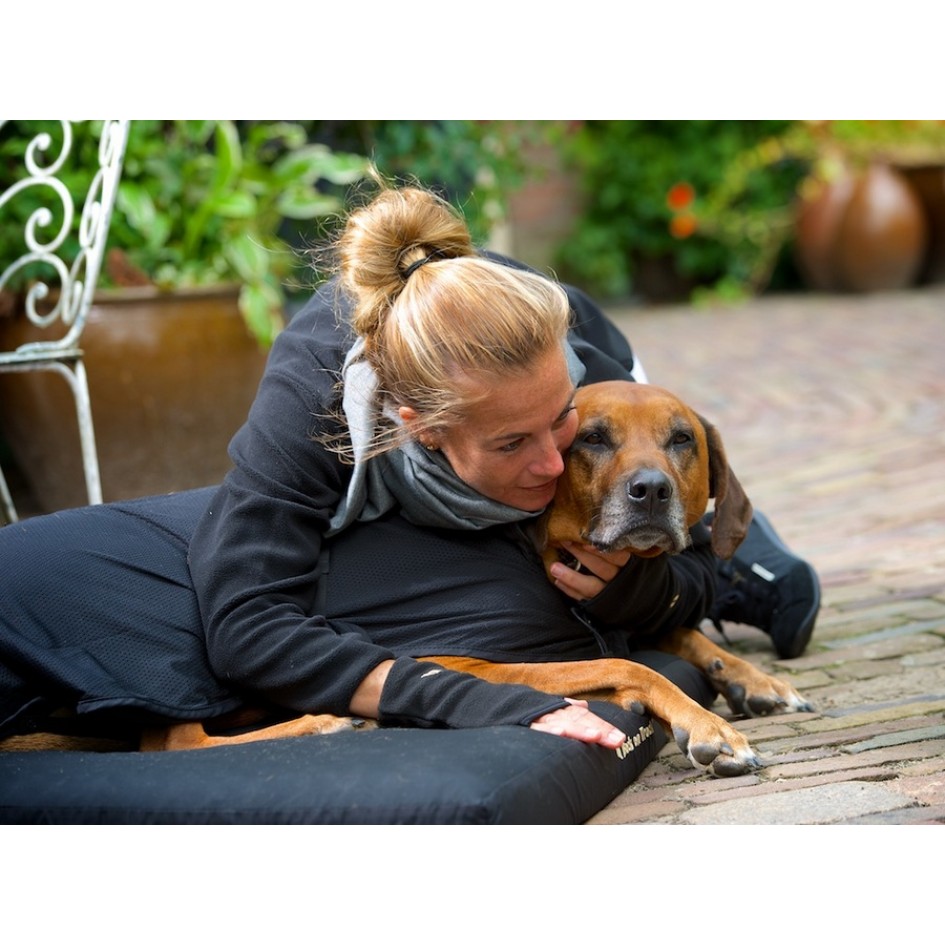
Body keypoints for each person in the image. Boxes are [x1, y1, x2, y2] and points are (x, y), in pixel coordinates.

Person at [0, 181, 820, 751]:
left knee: (691, 542)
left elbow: (652, 495)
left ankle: (762, 563)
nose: (548, 460)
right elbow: (248, 624)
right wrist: (473, 698)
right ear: (418, 430)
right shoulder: (311, 405)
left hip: (560, 344)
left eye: (561, 424)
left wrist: (665, 579)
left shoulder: (586, 367)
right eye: (510, 443)